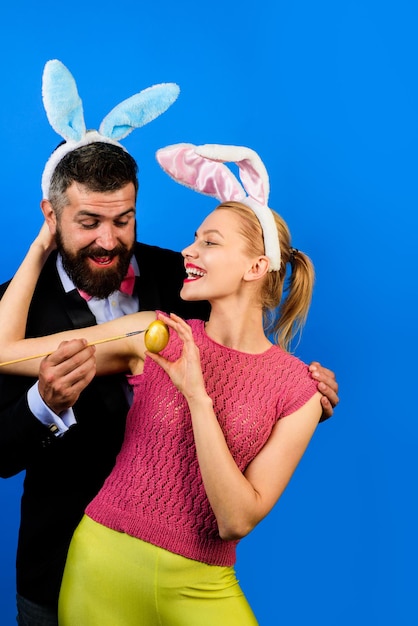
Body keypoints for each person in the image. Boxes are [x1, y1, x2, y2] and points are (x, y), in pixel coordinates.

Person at [0, 143, 336, 625]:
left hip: (197, 573)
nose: (109, 240)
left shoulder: (183, 287)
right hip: (70, 556)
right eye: (88, 222)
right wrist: (45, 403)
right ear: (53, 216)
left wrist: (296, 398)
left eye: (123, 220)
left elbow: (240, 359)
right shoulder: (140, 329)